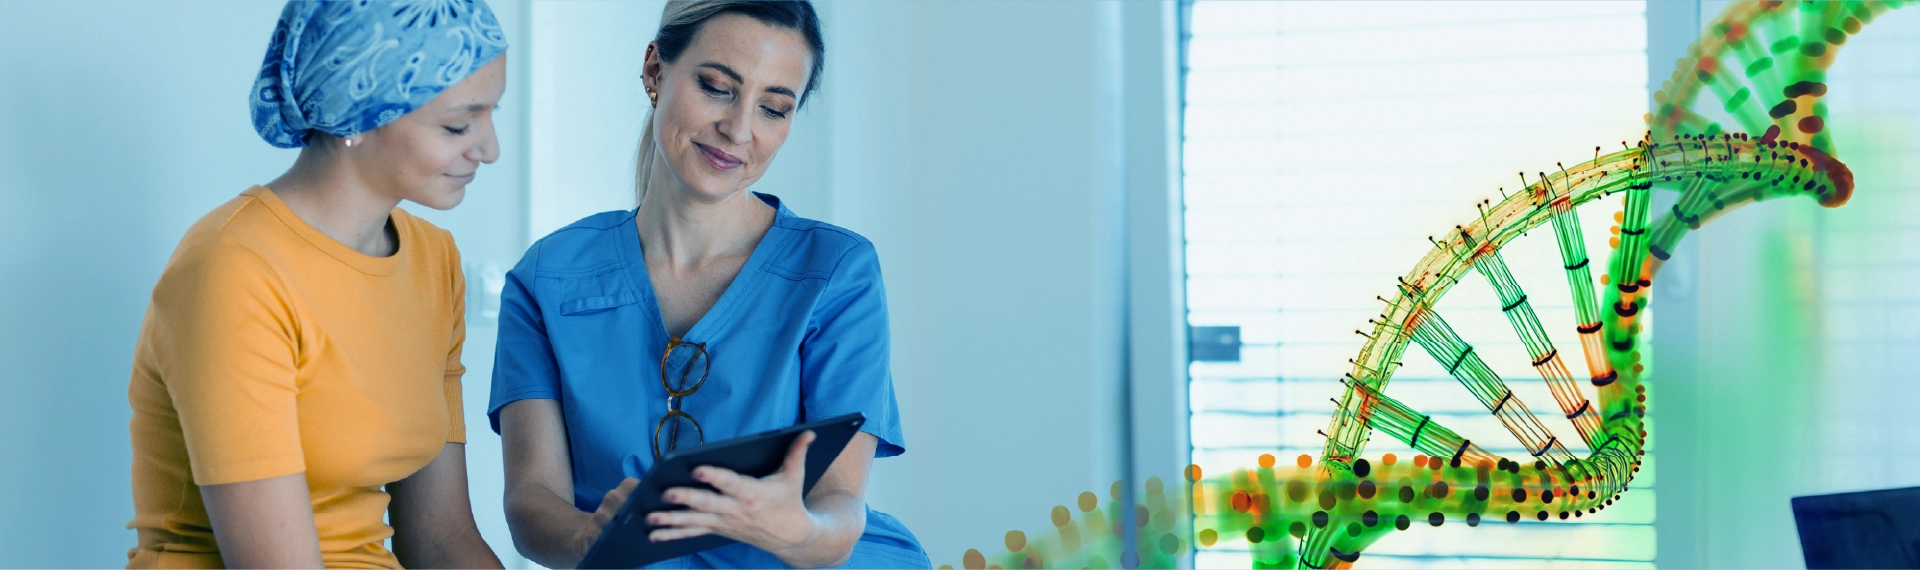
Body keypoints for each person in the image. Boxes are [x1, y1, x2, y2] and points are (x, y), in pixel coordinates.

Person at [489, 1, 929, 567]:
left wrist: (796, 528)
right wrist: (596, 537)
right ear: (654, 71)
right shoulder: (547, 278)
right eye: (717, 87)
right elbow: (532, 501)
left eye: (774, 108)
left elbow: (840, 508)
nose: (739, 129)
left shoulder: (837, 269)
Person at [125, 1, 508, 567]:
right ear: (358, 112)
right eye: (458, 124)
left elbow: (442, 540)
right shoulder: (233, 271)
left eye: (491, 114)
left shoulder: (433, 260)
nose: (489, 149)